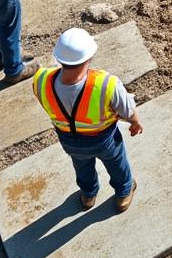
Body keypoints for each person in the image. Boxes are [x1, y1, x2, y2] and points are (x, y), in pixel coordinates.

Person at [33, 28, 143, 212]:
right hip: (104, 141)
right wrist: (135, 122)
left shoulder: (41, 80)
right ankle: (124, 193)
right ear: (89, 58)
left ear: (59, 58)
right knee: (117, 163)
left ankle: (88, 195)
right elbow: (128, 110)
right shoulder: (106, 84)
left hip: (69, 141)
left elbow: (46, 101)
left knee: (82, 166)